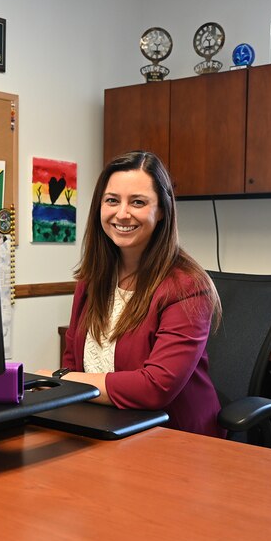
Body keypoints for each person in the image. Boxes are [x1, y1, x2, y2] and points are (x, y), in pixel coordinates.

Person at [38, 151, 223, 438]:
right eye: (112, 200)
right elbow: (73, 360)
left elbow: (154, 388)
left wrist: (58, 380)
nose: (122, 213)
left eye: (138, 202)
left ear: (161, 210)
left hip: (174, 439)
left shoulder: (187, 287)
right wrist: (64, 382)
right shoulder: (92, 280)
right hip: (104, 429)